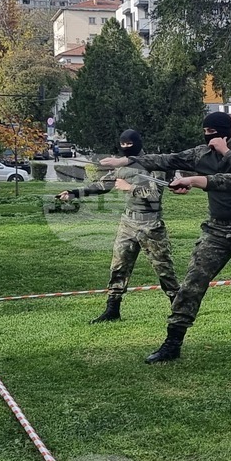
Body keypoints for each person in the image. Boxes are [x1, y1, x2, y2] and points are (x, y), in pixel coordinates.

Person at [100, 113, 231, 364]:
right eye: (205, 131)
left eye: (212, 131)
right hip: (215, 231)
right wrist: (126, 160)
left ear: (225, 132)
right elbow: (165, 159)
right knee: (191, 287)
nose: (208, 136)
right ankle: (172, 343)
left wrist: (223, 155)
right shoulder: (200, 154)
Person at [59, 129, 179, 323]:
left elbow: (155, 194)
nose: (125, 148)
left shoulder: (153, 163)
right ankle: (112, 309)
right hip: (128, 223)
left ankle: (179, 308)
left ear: (138, 143)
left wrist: (129, 187)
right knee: (118, 266)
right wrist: (73, 193)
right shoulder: (122, 167)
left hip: (150, 223)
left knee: (164, 269)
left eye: (129, 144)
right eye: (122, 144)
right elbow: (102, 185)